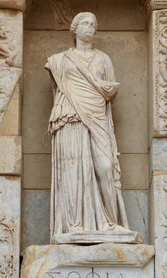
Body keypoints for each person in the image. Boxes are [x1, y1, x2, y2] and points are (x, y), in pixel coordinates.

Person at [45, 12, 132, 242]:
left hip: (97, 115)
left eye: (93, 24)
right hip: (70, 115)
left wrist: (109, 89)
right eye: (85, 23)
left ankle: (109, 223)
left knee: (105, 166)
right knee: (73, 169)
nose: (90, 27)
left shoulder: (103, 59)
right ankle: (74, 225)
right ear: (74, 29)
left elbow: (109, 92)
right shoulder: (59, 60)